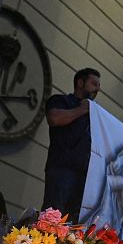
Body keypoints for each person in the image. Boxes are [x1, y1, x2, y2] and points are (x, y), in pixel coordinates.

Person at [43, 68, 100, 219]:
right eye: (94, 83)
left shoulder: (94, 114)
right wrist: (82, 109)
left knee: (74, 222)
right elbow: (54, 118)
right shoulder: (62, 101)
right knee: (54, 216)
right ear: (80, 82)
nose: (97, 89)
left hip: (84, 176)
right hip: (62, 169)